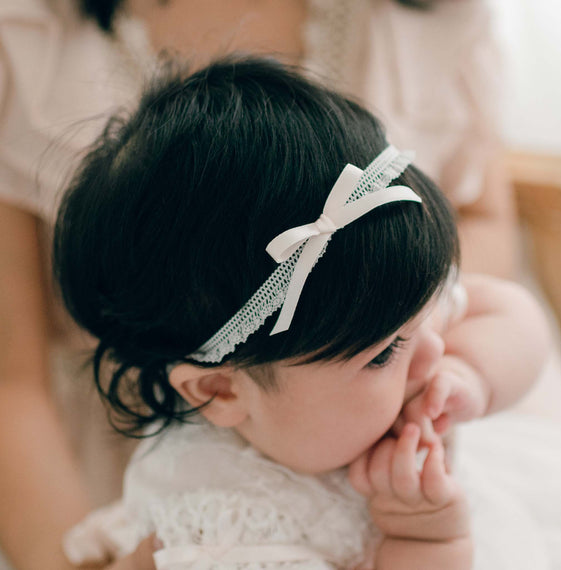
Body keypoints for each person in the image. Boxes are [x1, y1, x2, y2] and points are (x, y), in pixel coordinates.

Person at [0, 1, 518, 568]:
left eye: (429, 321)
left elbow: (511, 316)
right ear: (221, 390)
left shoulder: (392, 315)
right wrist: (427, 539)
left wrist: (472, 375)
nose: (434, 352)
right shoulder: (225, 532)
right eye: (384, 354)